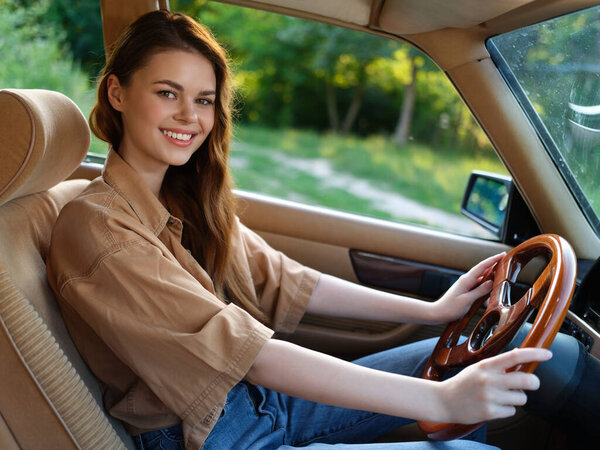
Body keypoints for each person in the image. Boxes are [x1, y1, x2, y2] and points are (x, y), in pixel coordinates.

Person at [46, 10, 598, 450]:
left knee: (488, 353)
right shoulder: (99, 230)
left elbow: (286, 279)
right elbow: (248, 353)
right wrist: (439, 402)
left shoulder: (182, 198)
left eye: (204, 99)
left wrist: (431, 312)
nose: (190, 116)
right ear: (117, 94)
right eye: (168, 93)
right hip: (210, 435)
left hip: (251, 401)